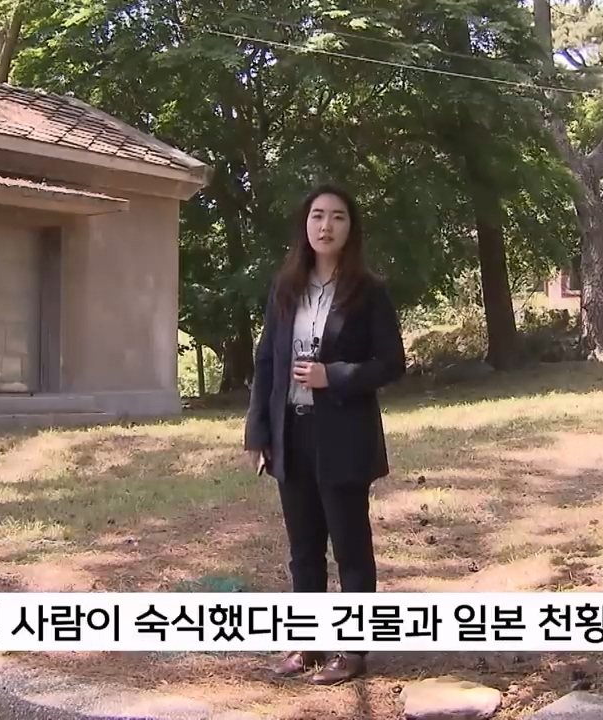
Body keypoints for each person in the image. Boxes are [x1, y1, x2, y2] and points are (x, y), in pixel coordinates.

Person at [243, 183, 407, 685]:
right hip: (291, 433)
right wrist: (258, 432)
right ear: (305, 225)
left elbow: (391, 363)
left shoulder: (368, 291)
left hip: (344, 435)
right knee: (303, 548)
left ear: (350, 228)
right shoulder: (285, 287)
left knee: (350, 547)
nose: (326, 225)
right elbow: (267, 361)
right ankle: (308, 642)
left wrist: (330, 375)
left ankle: (353, 651)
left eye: (337, 216)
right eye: (317, 215)